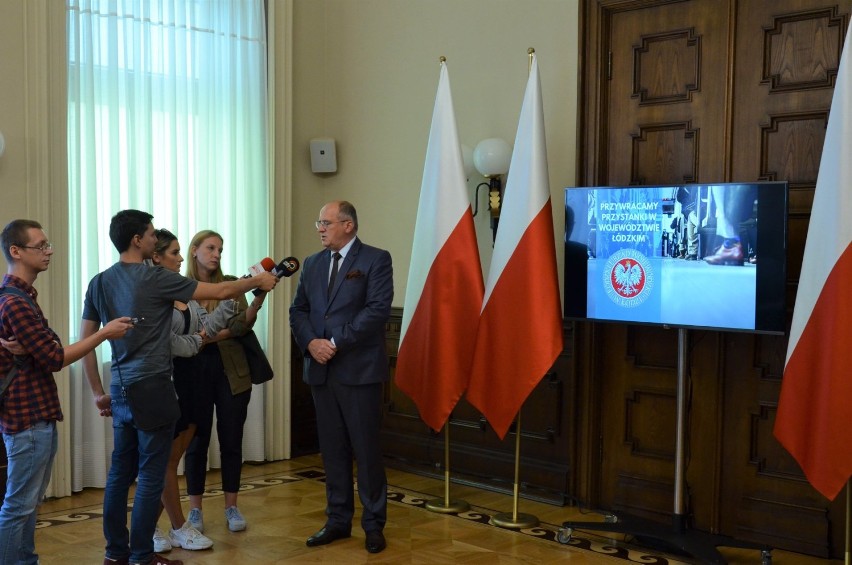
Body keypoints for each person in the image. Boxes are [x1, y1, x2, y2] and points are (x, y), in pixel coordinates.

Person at [79, 210, 278, 565]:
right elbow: (221, 289)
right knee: (153, 474)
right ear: (138, 240)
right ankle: (141, 555)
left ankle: (115, 554)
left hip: (120, 387)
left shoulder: (99, 281)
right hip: (153, 388)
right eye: (152, 234)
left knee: (119, 474)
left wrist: (97, 391)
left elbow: (87, 341)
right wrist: (258, 281)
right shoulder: (155, 278)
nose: (156, 239)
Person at [0, 219, 133, 565]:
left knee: (27, 503)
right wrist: (104, 334)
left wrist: (38, 348)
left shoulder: (21, 298)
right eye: (40, 245)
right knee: (18, 506)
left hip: (34, 416)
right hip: (26, 419)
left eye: (48, 244)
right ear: (16, 251)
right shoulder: (14, 302)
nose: (49, 251)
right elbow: (56, 357)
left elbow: (48, 349)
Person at [289, 200, 393, 554]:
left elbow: (377, 311)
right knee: (332, 451)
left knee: (365, 450)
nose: (319, 228)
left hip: (358, 372)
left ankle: (374, 524)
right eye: (319, 222)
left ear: (348, 225)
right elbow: (298, 310)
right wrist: (311, 343)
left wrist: (334, 342)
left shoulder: (375, 259)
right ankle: (337, 521)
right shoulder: (313, 263)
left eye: (326, 222)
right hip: (321, 369)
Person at [149, 229, 238, 553]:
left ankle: (154, 527)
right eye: (175, 252)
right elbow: (172, 344)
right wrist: (196, 343)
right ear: (157, 257)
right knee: (166, 463)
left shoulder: (184, 293)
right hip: (168, 382)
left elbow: (207, 329)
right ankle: (173, 526)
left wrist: (229, 304)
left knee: (173, 462)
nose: (181, 258)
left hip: (194, 381)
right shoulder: (152, 294)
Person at [182, 230, 268, 535]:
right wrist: (206, 338)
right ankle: (195, 511)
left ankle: (232, 506)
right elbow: (179, 335)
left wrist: (256, 302)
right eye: (210, 248)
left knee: (232, 439)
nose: (216, 254)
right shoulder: (181, 287)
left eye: (220, 248)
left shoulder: (232, 283)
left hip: (232, 369)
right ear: (194, 250)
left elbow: (239, 326)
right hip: (193, 371)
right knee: (196, 441)